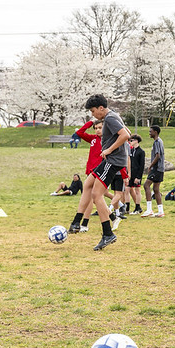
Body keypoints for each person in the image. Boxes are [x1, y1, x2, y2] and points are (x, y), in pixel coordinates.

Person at [67, 94, 130, 251]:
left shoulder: (109, 118)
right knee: (88, 183)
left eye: (93, 111)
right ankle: (76, 222)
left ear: (101, 108)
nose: (92, 114)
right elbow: (126, 130)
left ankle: (108, 234)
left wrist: (108, 149)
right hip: (110, 160)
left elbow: (126, 135)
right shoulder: (113, 116)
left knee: (96, 195)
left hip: (112, 161)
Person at [74, 119, 114, 232]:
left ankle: (84, 224)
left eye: (100, 128)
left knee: (92, 198)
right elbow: (79, 133)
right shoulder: (92, 139)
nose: (97, 130)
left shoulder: (107, 141)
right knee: (95, 198)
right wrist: (90, 123)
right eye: (96, 128)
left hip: (99, 172)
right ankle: (113, 217)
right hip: (90, 171)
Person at [141, 125, 165, 218]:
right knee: (156, 189)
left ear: (155, 132)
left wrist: (150, 166)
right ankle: (160, 211)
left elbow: (158, 155)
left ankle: (149, 209)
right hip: (160, 169)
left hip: (156, 168)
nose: (149, 133)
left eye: (150, 131)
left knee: (146, 185)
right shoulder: (160, 141)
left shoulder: (157, 142)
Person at [127, 134, 146, 214]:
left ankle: (137, 207)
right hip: (130, 174)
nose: (130, 142)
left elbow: (142, 165)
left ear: (136, 141)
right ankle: (126, 207)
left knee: (137, 190)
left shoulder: (141, 152)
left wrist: (138, 177)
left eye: (131, 140)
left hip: (137, 174)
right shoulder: (131, 151)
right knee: (126, 189)